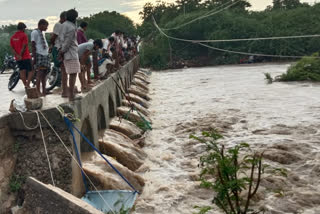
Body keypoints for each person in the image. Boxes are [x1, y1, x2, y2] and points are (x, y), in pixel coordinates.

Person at [59, 9, 80, 101]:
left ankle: (67, 93)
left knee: (67, 73)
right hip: (70, 53)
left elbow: (61, 39)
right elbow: (68, 42)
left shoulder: (63, 25)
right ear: (74, 18)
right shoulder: (71, 27)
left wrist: (61, 51)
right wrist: (62, 51)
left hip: (66, 52)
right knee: (73, 73)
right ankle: (71, 95)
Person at [10, 22, 34, 89]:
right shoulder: (24, 35)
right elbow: (24, 46)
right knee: (31, 70)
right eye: (24, 29)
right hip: (25, 56)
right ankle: (28, 84)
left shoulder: (13, 37)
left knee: (22, 71)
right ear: (23, 28)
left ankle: (25, 85)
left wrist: (17, 55)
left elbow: (12, 48)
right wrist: (20, 55)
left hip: (18, 58)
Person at [50, 11, 68, 97]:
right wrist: (53, 45)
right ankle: (64, 89)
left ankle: (63, 87)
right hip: (57, 48)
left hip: (60, 48)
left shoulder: (64, 26)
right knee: (63, 69)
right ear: (62, 18)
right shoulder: (58, 25)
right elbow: (53, 37)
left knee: (63, 69)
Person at [31, 19, 50, 96]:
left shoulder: (42, 33)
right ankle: (38, 91)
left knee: (44, 74)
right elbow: (33, 44)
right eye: (46, 26)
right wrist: (34, 57)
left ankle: (44, 90)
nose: (46, 28)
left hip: (45, 54)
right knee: (39, 73)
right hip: (39, 54)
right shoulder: (35, 32)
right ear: (41, 25)